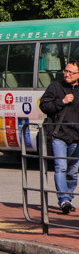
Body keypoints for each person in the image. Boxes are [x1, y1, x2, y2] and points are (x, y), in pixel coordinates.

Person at [39, 60, 79, 214]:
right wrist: (61, 102)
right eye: (66, 71)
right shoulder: (56, 87)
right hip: (59, 135)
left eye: (71, 72)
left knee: (72, 171)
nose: (67, 74)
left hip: (76, 137)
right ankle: (63, 200)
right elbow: (44, 105)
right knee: (60, 168)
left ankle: (68, 197)